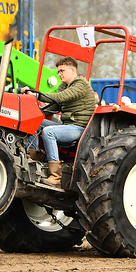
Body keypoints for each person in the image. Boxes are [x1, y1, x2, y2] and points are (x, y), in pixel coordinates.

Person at [23, 56, 95, 186]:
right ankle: (32, 157)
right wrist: (35, 113)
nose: (59, 74)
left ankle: (55, 176)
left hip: (79, 128)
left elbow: (61, 97)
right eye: (58, 71)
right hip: (67, 126)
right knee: (34, 121)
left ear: (72, 70)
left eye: (62, 71)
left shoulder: (81, 84)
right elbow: (56, 106)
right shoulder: (63, 86)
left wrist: (36, 95)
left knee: (49, 132)